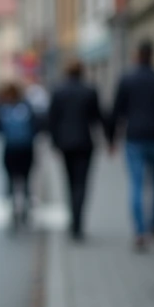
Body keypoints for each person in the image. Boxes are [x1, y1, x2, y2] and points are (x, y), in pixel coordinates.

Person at [107, 39, 154, 250]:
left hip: (135, 138)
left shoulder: (127, 80)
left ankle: (140, 231)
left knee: (137, 185)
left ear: (137, 55)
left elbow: (116, 111)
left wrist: (111, 139)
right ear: (153, 55)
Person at [47, 60, 105, 240]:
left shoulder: (58, 91)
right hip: (84, 142)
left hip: (65, 144)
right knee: (82, 184)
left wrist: (54, 143)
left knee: (69, 182)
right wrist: (110, 139)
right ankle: (78, 224)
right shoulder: (89, 90)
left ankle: (73, 221)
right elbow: (98, 117)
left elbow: (52, 119)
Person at [0, 81, 41, 220]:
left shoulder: (2, 107)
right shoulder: (26, 106)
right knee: (26, 178)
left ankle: (13, 206)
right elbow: (37, 125)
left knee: (11, 178)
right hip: (26, 148)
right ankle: (25, 207)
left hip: (10, 148)